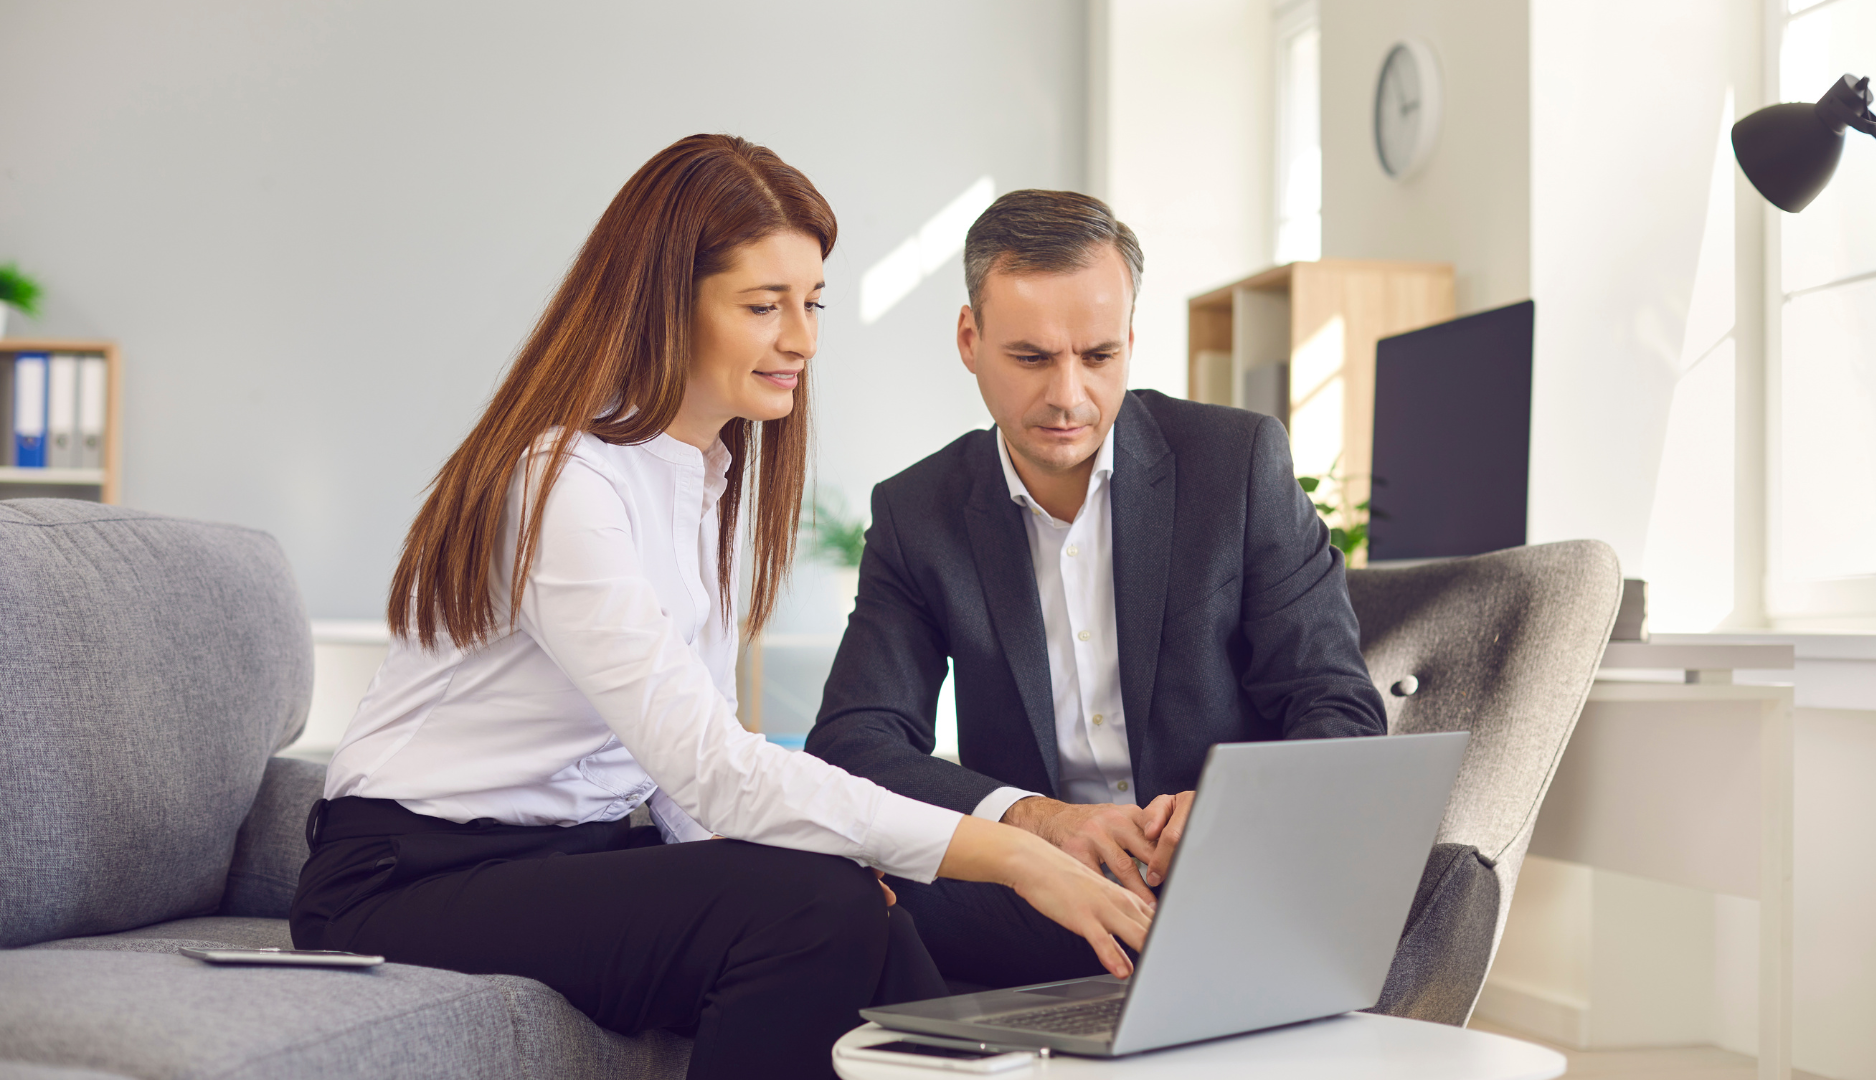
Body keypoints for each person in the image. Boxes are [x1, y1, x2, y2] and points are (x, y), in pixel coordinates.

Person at [289, 139, 1152, 1080]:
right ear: (666, 304)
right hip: (406, 879)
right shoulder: (559, 482)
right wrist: (1011, 853)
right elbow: (710, 769)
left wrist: (830, 857)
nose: (804, 339)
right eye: (762, 306)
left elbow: (680, 783)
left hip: (573, 857)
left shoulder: (709, 474)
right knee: (811, 908)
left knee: (849, 912)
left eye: (812, 302)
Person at [805, 189, 1389, 990]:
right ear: (970, 340)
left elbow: (1340, 708)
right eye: (1032, 357)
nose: (1069, 396)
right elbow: (853, 741)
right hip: (1032, 897)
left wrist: (1227, 809)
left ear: (1130, 341)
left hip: (1220, 884)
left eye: (1098, 356)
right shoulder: (918, 513)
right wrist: (1033, 822)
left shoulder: (1237, 464)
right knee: (818, 900)